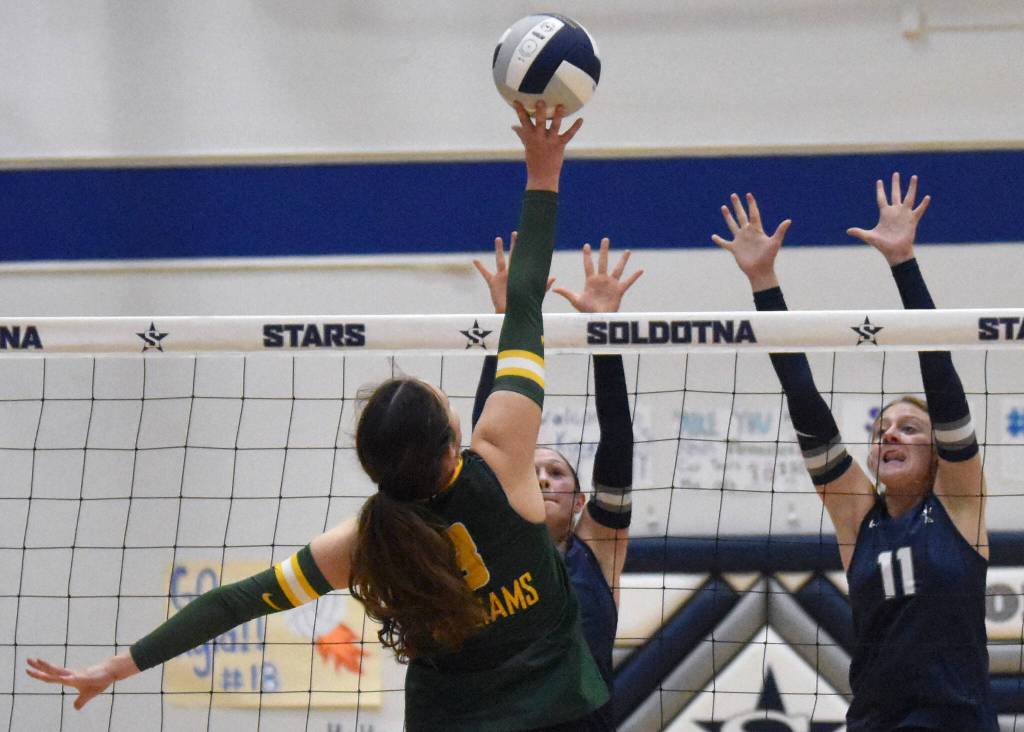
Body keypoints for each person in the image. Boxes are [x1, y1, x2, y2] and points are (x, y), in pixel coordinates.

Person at [25, 100, 610, 732]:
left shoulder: (365, 542)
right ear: (452, 441)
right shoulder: (502, 456)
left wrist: (119, 666)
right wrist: (543, 171)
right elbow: (526, 301)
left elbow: (237, 601)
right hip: (560, 714)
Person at [711, 174, 996, 731]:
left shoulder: (960, 506)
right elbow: (805, 402)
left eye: (909, 428)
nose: (890, 435)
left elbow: (942, 377)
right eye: (882, 429)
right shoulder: (858, 518)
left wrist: (903, 263)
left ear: (939, 450)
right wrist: (764, 282)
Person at [472, 235, 641, 730]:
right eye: (534, 471)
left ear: (580, 500)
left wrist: (603, 335)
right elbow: (489, 444)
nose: (544, 478)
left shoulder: (599, 549)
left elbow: (618, 442)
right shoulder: (495, 544)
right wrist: (508, 324)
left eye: (557, 473)